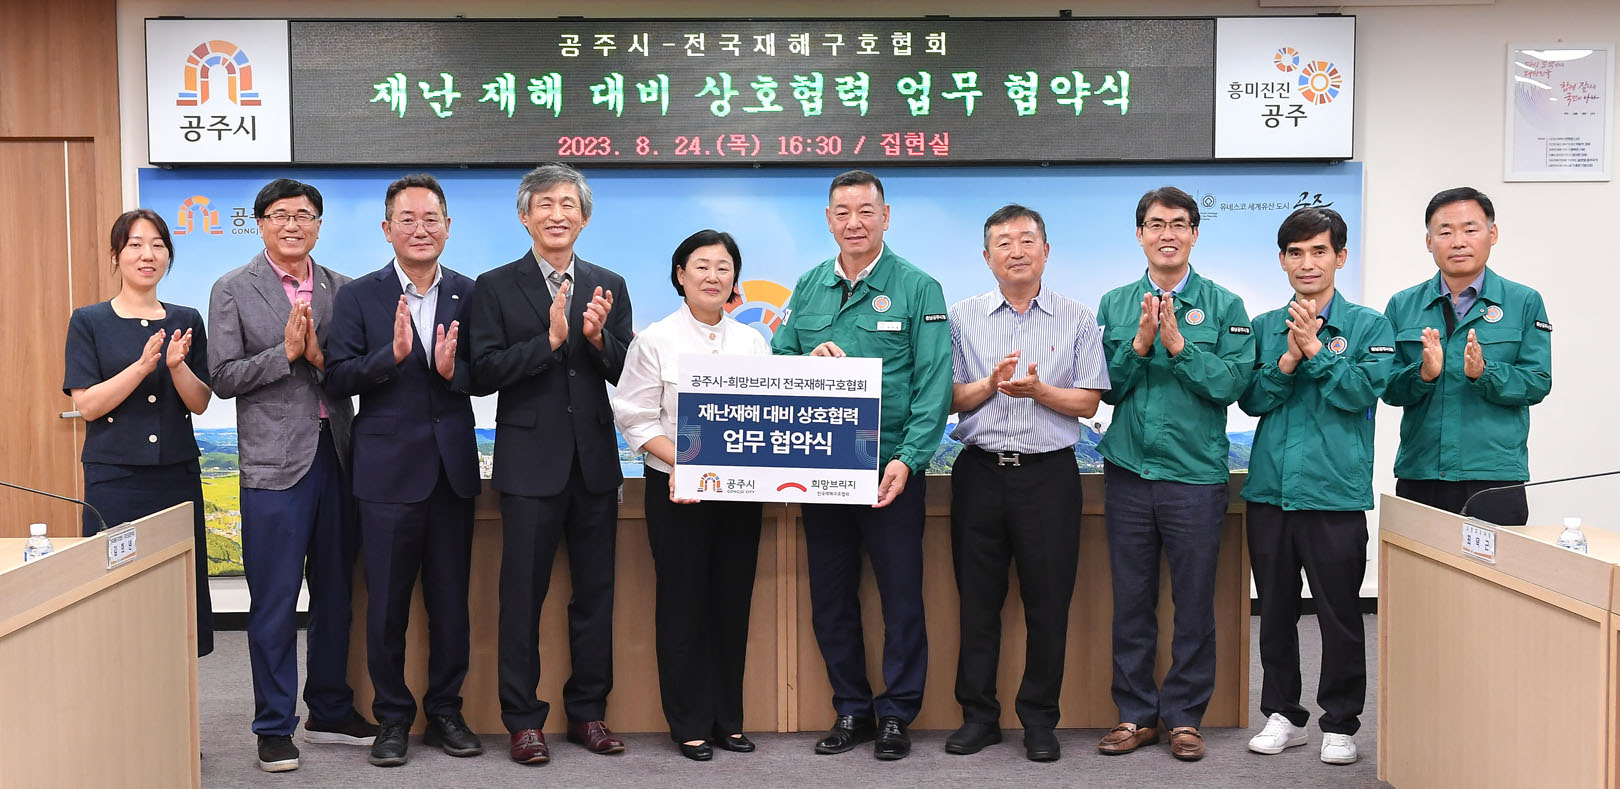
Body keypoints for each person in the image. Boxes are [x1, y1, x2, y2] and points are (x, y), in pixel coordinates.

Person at [769, 169, 952, 761]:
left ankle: (896, 714)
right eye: (843, 212)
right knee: (831, 598)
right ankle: (850, 707)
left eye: (866, 211)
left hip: (890, 472)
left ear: (886, 216)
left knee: (901, 598)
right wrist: (807, 361)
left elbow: (933, 385)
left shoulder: (919, 287)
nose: (854, 222)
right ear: (828, 220)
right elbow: (777, 363)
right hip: (823, 470)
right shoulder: (808, 286)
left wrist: (909, 459)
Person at [465, 162, 633, 765]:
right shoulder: (494, 285)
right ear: (524, 216)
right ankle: (523, 721)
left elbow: (627, 370)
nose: (557, 214)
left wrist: (597, 338)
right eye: (545, 204)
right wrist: (550, 343)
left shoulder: (608, 283)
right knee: (521, 598)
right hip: (529, 465)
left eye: (568, 204)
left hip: (594, 465)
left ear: (584, 217)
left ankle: (589, 712)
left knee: (595, 597)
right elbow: (481, 372)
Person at [208, 179, 370, 773]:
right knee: (274, 600)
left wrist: (322, 358)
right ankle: (274, 726)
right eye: (280, 215)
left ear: (319, 226)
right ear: (260, 224)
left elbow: (354, 368)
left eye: (304, 215)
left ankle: (329, 708)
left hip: (339, 456)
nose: (292, 224)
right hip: (274, 464)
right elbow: (222, 376)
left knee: (335, 593)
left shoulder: (344, 289)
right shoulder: (232, 288)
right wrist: (286, 354)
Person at [323, 174, 482, 767]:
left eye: (431, 218)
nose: (421, 229)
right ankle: (392, 718)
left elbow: (487, 373)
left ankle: (445, 711)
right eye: (408, 220)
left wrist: (454, 371)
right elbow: (335, 377)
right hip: (386, 473)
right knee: (387, 604)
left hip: (451, 472)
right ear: (387, 229)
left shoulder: (470, 293)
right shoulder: (359, 296)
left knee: (451, 603)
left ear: (448, 226)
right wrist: (386, 358)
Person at [1094, 186, 1255, 762]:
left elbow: (1232, 385)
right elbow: (1103, 390)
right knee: (1131, 602)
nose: (1168, 234)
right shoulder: (1115, 304)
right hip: (1129, 475)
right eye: (1157, 224)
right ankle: (1135, 715)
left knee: (1193, 604)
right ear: (1140, 234)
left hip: (1195, 477)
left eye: (1180, 224)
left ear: (1194, 234)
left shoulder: (1226, 306)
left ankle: (1185, 718)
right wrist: (1139, 345)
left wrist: (1181, 348)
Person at [944, 204, 1109, 762]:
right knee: (977, 604)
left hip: (1049, 477)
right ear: (987, 256)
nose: (1016, 251)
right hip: (980, 473)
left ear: (1045, 250)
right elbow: (948, 397)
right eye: (1004, 242)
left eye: (1026, 240)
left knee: (1048, 604)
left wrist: (1039, 392)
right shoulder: (961, 317)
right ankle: (979, 717)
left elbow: (1088, 401)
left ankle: (1040, 719)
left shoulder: (1078, 318)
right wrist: (988, 384)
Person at [1239, 208, 1394, 766]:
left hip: (1335, 495)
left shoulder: (1370, 326)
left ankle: (1341, 723)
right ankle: (1283, 715)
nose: (1308, 263)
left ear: (1340, 257)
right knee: (1275, 612)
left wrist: (1317, 351)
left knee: (1340, 615)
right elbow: (1251, 399)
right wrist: (1286, 358)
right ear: (1282, 261)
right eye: (1296, 253)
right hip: (1271, 494)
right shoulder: (1263, 326)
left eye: (1319, 251)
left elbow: (1361, 393)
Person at [611, 229, 770, 762]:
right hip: (677, 490)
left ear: (734, 278)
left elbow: (769, 414)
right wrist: (689, 464)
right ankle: (689, 723)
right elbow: (635, 419)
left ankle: (728, 720)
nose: (712, 276)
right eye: (701, 266)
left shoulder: (752, 343)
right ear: (680, 275)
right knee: (683, 606)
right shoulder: (655, 340)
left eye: (723, 267)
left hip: (741, 494)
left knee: (732, 603)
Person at [63, 209, 215, 658]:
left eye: (158, 245)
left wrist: (176, 366)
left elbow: (200, 402)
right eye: (135, 245)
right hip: (115, 480)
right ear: (116, 255)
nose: (147, 255)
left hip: (176, 477)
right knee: (115, 591)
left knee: (179, 595)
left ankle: (176, 696)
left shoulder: (187, 318)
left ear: (168, 255)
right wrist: (143, 366)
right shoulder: (89, 321)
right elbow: (88, 405)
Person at [1383, 187, 1552, 526]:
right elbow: (1387, 387)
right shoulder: (1403, 305)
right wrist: (1423, 374)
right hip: (1422, 473)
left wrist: (1484, 373)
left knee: (1494, 563)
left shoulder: (1524, 302)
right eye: (1445, 232)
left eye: (1470, 229)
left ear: (1493, 234)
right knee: (1416, 563)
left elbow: (1537, 382)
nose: (1458, 242)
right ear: (1429, 241)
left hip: (1494, 477)